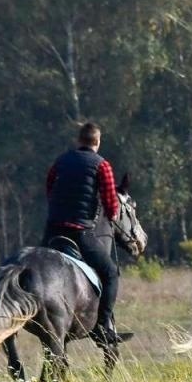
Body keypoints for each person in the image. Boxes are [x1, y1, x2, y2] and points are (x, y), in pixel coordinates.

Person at [44, 121, 127, 344]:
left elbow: (49, 187)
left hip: (52, 230)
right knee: (110, 273)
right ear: (97, 142)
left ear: (78, 141)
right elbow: (111, 202)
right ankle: (102, 326)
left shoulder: (60, 161)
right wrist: (113, 214)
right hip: (79, 233)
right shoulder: (102, 165)